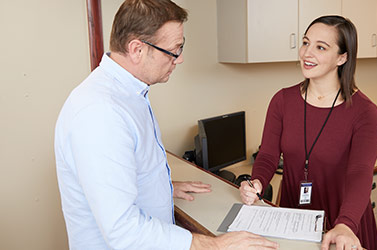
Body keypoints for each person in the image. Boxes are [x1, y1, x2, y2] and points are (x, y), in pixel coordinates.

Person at [54, 0, 278, 249]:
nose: (179, 59)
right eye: (174, 50)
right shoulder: (100, 112)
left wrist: (159, 187)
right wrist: (214, 245)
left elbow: (118, 175)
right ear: (137, 49)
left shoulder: (129, 94)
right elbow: (123, 231)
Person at [239, 15, 377, 250]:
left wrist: (346, 224)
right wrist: (257, 183)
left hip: (342, 222)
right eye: (306, 43)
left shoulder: (365, 112)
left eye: (320, 47)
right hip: (292, 216)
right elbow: (267, 156)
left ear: (342, 57)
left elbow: (360, 173)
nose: (307, 53)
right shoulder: (282, 101)